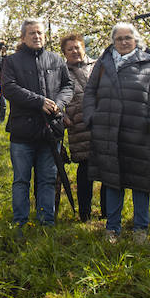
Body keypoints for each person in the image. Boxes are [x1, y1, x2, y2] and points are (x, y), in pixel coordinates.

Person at [83, 22, 150, 242]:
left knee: (141, 182)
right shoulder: (103, 63)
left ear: (136, 40)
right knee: (112, 181)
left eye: (127, 38)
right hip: (108, 132)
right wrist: (91, 116)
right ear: (113, 41)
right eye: (119, 39)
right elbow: (90, 92)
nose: (123, 42)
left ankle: (140, 229)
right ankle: (113, 228)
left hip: (140, 133)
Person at [0, 18, 72, 230]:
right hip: (23, 131)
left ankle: (46, 223)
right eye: (32, 33)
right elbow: (9, 88)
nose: (37, 36)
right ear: (23, 37)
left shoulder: (56, 60)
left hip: (50, 130)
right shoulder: (11, 61)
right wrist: (39, 102)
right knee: (21, 180)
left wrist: (58, 104)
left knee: (48, 179)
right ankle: (20, 223)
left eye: (40, 33)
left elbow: (68, 85)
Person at [60, 32, 98, 221]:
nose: (75, 51)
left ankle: (107, 212)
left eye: (77, 47)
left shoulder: (97, 66)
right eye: (70, 49)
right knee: (85, 168)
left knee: (107, 167)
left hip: (100, 123)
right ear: (64, 53)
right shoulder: (61, 72)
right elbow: (56, 96)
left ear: (83, 47)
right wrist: (63, 115)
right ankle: (85, 213)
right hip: (78, 126)